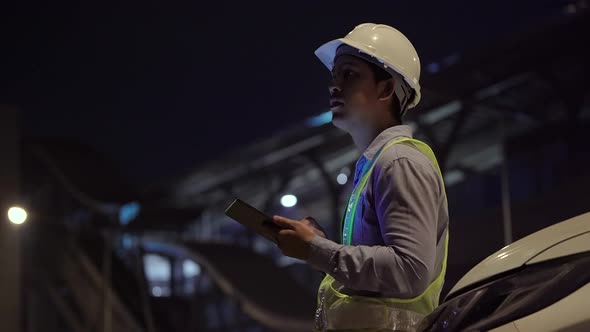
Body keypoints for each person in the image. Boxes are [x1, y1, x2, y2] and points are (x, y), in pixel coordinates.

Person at [271, 23, 449, 332]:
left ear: (386, 88)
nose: (334, 86)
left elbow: (409, 271)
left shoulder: (398, 161)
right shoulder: (378, 163)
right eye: (334, 76)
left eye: (349, 74)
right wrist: (321, 245)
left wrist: (316, 249)